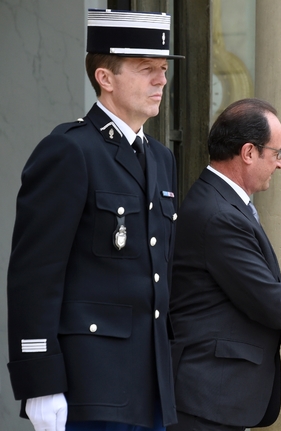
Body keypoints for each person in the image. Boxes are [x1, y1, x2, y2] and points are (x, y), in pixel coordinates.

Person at [6, 9, 183, 431]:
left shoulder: (160, 158)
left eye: (162, 69)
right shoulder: (69, 150)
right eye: (147, 70)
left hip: (150, 386)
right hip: (88, 387)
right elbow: (35, 276)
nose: (161, 80)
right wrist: (40, 383)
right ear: (105, 77)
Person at [168, 98, 281, 431]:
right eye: (277, 153)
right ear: (249, 152)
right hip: (207, 395)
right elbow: (263, 293)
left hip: (216, 394)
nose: (280, 164)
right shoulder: (220, 214)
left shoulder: (221, 202)